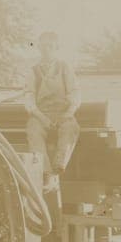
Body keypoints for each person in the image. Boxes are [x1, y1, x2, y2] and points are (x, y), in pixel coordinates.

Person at [24, 31, 81, 192]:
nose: (46, 49)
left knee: (70, 129)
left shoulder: (65, 68)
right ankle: (46, 173)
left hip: (63, 112)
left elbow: (74, 91)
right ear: (38, 48)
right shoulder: (33, 71)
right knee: (33, 131)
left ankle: (57, 169)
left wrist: (69, 113)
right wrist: (41, 118)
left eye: (50, 46)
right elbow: (29, 97)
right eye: (42, 46)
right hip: (42, 113)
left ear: (56, 47)